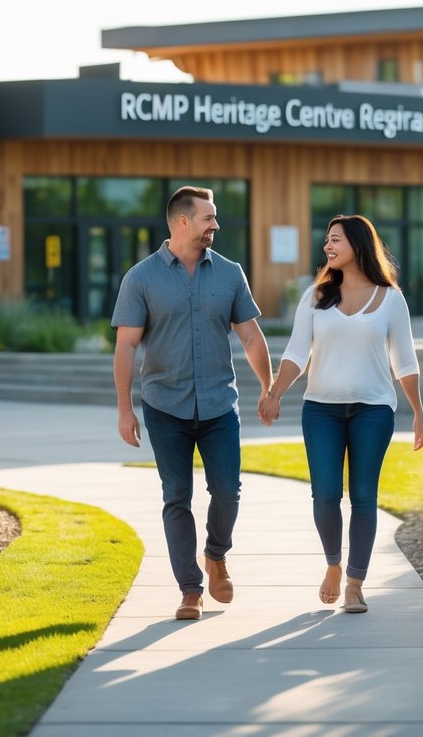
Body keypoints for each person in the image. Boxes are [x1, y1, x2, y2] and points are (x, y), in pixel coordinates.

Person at [112, 186, 273, 621]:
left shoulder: (229, 273)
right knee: (176, 496)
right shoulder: (140, 278)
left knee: (227, 490)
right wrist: (125, 410)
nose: (215, 225)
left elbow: (251, 335)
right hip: (165, 407)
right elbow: (126, 345)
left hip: (220, 404)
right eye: (208, 218)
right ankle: (190, 590)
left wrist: (268, 388)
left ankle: (216, 554)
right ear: (183, 222)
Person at [260, 214, 423, 613]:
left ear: (358, 244)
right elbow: (297, 353)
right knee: (326, 495)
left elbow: (405, 361)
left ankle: (355, 583)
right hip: (321, 410)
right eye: (326, 241)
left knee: (364, 496)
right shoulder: (316, 296)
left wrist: (418, 412)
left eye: (335, 240)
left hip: (374, 410)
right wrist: (274, 393)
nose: (327, 247)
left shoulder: (391, 298)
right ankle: (333, 564)